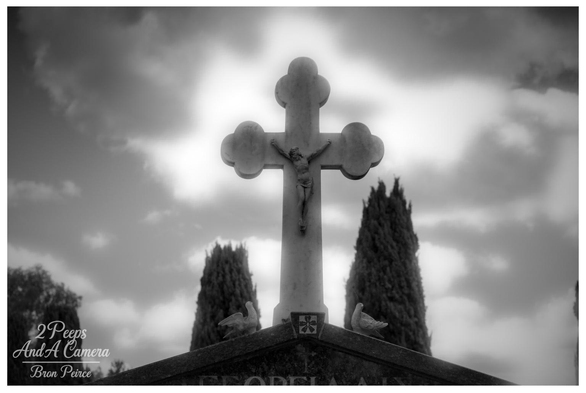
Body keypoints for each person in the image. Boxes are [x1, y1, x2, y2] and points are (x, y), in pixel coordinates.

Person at [271, 138, 332, 232]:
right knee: (301, 199)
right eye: (293, 155)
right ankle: (300, 218)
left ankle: (304, 220)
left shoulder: (305, 158)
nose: (294, 156)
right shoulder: (293, 160)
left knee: (306, 201)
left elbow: (317, 152)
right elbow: (282, 152)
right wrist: (275, 145)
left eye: (295, 154)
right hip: (300, 182)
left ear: (297, 153)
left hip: (308, 182)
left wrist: (326, 144)